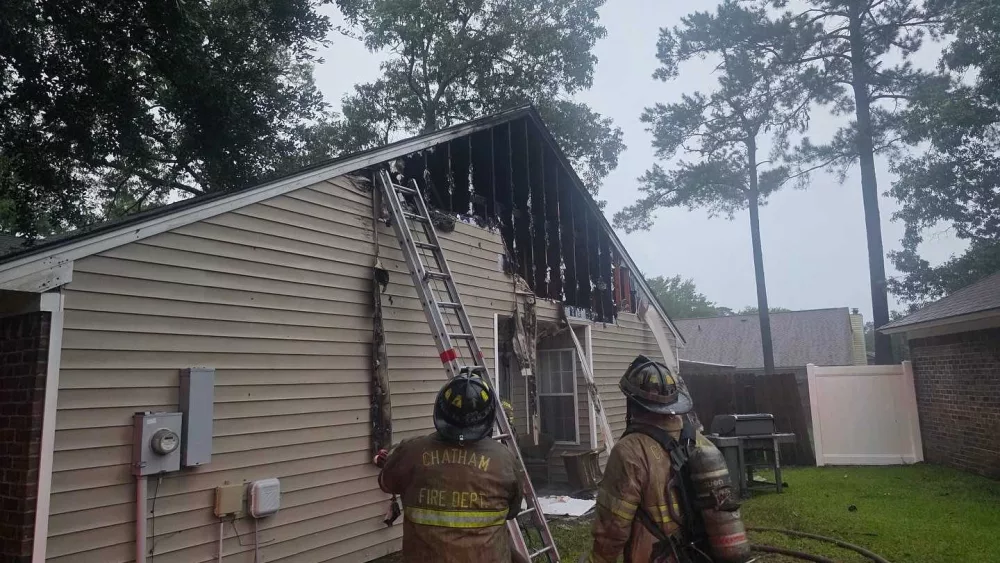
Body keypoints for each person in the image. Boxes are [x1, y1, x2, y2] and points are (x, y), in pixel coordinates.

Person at [375, 368, 525, 563]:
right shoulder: (504, 459)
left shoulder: (411, 451)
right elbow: (512, 511)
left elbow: (387, 483)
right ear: (487, 417)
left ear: (440, 410)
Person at [587, 355, 722, 563]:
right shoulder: (701, 442)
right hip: (703, 556)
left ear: (632, 402)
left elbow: (612, 529)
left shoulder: (629, 452)